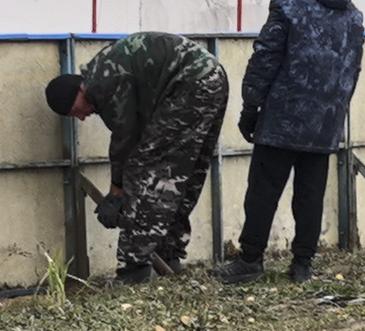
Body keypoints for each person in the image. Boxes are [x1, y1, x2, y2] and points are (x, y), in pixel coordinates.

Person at [218, 0, 364, 285]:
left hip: (283, 115)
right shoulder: (353, 13)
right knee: (310, 194)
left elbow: (265, 58)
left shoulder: (288, 2)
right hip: (326, 119)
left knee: (264, 190)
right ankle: (302, 265)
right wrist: (336, 110)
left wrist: (251, 107)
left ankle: (251, 259)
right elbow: (353, 69)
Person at [46, 31, 229, 284]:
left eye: (74, 110)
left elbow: (126, 140)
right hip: (212, 76)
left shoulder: (102, 84)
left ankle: (133, 269)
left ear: (79, 91)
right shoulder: (103, 71)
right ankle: (169, 257)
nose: (80, 117)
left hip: (188, 84)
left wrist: (117, 191)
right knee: (185, 171)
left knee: (144, 170)